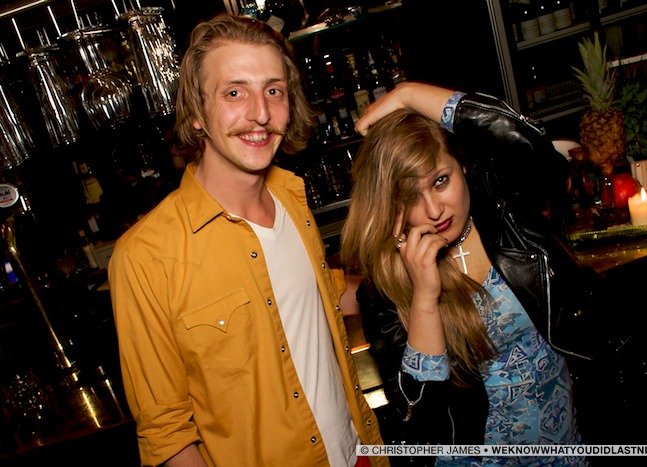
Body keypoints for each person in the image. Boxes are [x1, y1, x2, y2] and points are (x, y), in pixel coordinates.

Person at [108, 14, 387, 466]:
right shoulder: (144, 257)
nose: (260, 113)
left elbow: (314, 298)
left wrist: (411, 275)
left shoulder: (291, 196)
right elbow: (168, 434)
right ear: (196, 113)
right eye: (234, 93)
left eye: (273, 91)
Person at [341, 82, 601, 466]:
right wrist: (424, 298)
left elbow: (530, 144)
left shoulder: (508, 216)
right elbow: (423, 426)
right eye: (410, 195)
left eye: (440, 180)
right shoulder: (384, 289)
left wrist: (408, 94)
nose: (434, 210)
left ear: (461, 164)